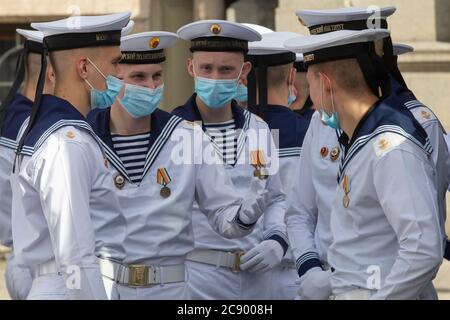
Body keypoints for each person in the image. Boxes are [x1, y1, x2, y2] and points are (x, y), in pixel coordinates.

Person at [88, 31, 267, 300]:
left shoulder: (187, 136)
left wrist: (245, 216)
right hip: (103, 286)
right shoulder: (85, 137)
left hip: (169, 289)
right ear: (113, 78)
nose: (151, 86)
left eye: (157, 76)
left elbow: (222, 214)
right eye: (139, 77)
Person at [286, 27, 442, 300]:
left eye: (310, 83)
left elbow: (423, 249)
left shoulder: (390, 147)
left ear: (324, 83)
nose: (311, 99)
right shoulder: (363, 139)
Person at [11, 12, 133, 300]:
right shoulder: (66, 142)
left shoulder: (51, 131)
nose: (120, 74)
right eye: (115, 63)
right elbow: (75, 254)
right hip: (69, 289)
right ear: (84, 68)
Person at [173, 20, 287, 300]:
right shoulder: (171, 130)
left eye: (226, 70)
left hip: (257, 277)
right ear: (190, 67)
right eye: (206, 68)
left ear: (244, 71)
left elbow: (276, 198)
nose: (215, 78)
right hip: (196, 277)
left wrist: (276, 239)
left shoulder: (260, 128)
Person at [245, 28, 310, 300]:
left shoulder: (222, 134)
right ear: (292, 76)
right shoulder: (314, 133)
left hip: (239, 274)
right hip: (300, 272)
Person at [0, 28, 55, 300]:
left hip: (21, 262)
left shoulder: (7, 121)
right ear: (54, 73)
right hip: (46, 269)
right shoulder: (47, 129)